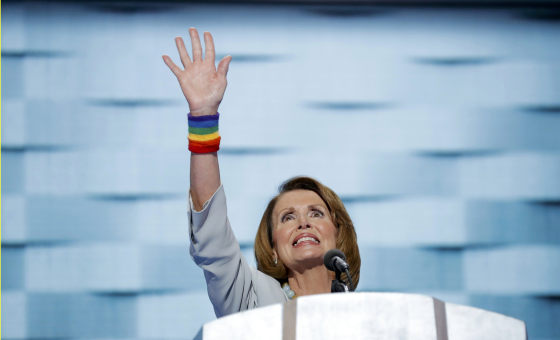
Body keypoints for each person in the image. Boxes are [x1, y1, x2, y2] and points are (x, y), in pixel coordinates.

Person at [162, 28, 361, 318]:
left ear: (338, 234)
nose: (303, 222)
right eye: (288, 217)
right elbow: (213, 238)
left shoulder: (371, 316)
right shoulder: (253, 299)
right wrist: (203, 116)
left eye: (316, 213)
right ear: (273, 250)